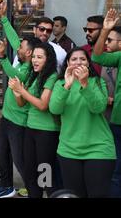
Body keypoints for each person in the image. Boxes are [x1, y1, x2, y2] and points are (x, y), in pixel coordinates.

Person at [49, 47, 115, 198]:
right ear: (67, 63)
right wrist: (67, 86)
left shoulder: (98, 82)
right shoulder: (60, 83)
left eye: (83, 59)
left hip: (99, 149)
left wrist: (85, 84)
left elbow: (98, 107)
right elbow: (54, 109)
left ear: (88, 63)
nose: (78, 62)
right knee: (75, 195)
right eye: (74, 59)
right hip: (69, 150)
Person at [0, 35, 41, 198]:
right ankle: (6, 186)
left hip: (18, 123)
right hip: (7, 118)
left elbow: (15, 75)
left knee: (20, 159)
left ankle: (34, 190)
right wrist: (3, 19)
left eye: (21, 47)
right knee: (1, 151)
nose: (18, 49)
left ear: (29, 52)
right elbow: (16, 42)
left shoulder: (29, 69)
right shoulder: (24, 61)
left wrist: (2, 57)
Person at [8, 42, 59, 198]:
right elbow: (23, 103)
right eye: (34, 57)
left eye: (39, 57)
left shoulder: (52, 76)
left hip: (47, 131)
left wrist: (22, 90)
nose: (35, 60)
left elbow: (43, 105)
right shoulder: (33, 75)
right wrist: (17, 93)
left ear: (48, 59)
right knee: (30, 171)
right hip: (31, 128)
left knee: (45, 173)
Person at [92, 8, 121, 197]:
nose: (108, 42)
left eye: (111, 39)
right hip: (117, 122)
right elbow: (97, 57)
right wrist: (104, 30)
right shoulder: (119, 56)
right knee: (116, 172)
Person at [0, 2, 66, 73]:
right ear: (34, 29)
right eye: (42, 29)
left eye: (49, 31)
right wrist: (4, 18)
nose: (45, 33)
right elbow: (14, 39)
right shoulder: (23, 48)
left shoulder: (59, 52)